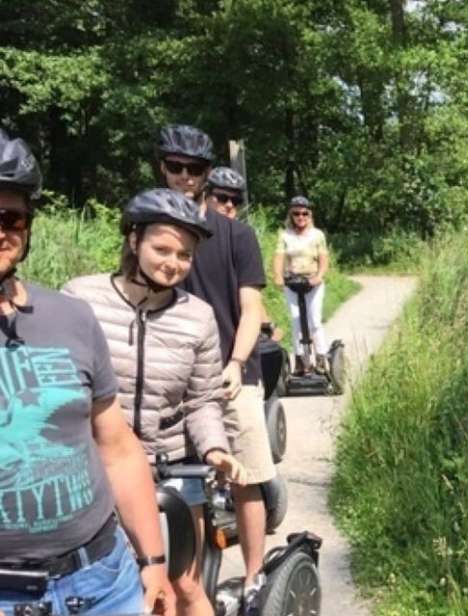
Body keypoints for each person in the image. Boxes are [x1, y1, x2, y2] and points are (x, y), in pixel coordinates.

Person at [0, 131, 175, 616]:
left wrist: (154, 561)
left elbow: (117, 447)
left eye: (9, 218)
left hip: (101, 583)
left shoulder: (72, 318)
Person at [63, 189, 246, 616]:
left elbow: (202, 400)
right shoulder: (81, 299)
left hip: (173, 466)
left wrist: (215, 448)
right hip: (98, 469)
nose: (173, 263)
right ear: (133, 241)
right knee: (112, 587)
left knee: (184, 584)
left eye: (184, 255)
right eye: (162, 249)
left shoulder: (197, 316)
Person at [157, 126, 275, 585]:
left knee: (247, 477)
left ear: (208, 174)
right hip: (175, 377)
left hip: (232, 373)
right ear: (162, 167)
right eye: (176, 166)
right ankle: (191, 586)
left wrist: (235, 363)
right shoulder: (154, 234)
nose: (184, 176)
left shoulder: (236, 235)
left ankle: (253, 575)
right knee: (185, 485)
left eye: (195, 169)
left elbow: (250, 309)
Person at [204, 167, 283, 344]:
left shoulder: (241, 237)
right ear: (205, 195)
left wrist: (267, 323)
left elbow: (249, 292)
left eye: (236, 200)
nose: (230, 205)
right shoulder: (192, 236)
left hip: (234, 332)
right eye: (222, 198)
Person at [272, 196, 330, 374]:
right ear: (291, 215)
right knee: (296, 320)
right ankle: (300, 361)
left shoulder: (317, 235)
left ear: (309, 214)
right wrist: (278, 276)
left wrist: (319, 276)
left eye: (304, 213)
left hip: (312, 283)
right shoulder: (285, 235)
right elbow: (279, 258)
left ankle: (321, 358)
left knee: (314, 321)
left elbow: (324, 259)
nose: (300, 217)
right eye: (296, 213)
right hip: (293, 283)